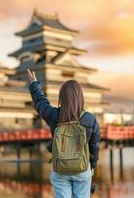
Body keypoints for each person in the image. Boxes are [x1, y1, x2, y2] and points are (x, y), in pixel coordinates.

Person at [27, 69, 100, 198]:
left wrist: (34, 84)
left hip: (60, 168)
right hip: (82, 168)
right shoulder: (89, 118)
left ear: (62, 97)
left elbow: (40, 102)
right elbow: (95, 145)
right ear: (80, 97)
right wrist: (92, 166)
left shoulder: (53, 115)